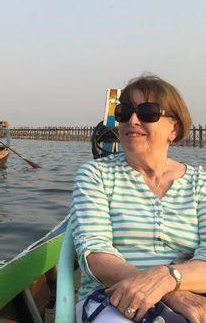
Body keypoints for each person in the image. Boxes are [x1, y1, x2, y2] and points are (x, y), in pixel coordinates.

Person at [71, 75, 206, 323]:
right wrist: (166, 291)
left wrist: (169, 280)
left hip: (195, 294)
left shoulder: (201, 183)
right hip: (114, 298)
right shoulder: (95, 175)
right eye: (124, 112)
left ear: (173, 129)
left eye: (148, 112)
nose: (132, 120)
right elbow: (96, 254)